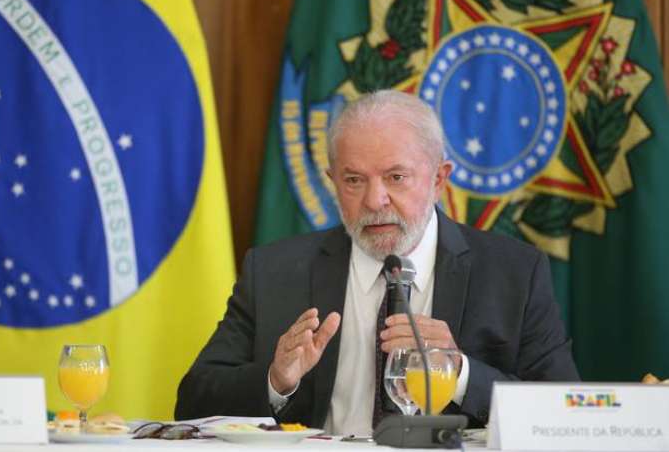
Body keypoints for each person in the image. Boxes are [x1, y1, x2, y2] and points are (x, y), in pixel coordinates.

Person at [175, 90, 578, 434]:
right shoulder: (274, 271)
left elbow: (560, 414)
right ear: (333, 182)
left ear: (439, 179)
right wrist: (275, 381)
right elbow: (192, 401)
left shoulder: (513, 273)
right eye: (354, 180)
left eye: (396, 177)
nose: (374, 200)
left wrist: (460, 374)